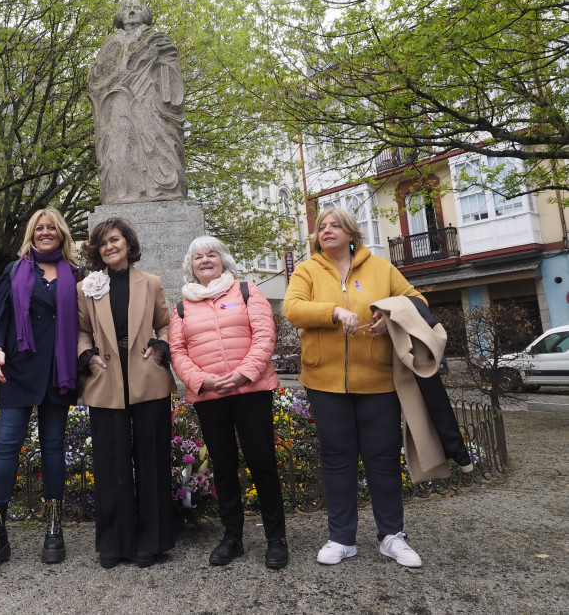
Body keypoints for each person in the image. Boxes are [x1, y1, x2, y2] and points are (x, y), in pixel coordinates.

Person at [283, 207, 426, 568]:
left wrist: (389, 315)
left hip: (378, 380)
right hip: (324, 381)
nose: (326, 231)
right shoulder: (307, 269)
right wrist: (333, 312)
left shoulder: (380, 268)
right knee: (336, 459)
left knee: (382, 459)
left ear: (351, 233)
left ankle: (392, 536)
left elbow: (418, 301)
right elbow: (293, 308)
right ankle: (342, 538)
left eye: (335, 226)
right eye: (321, 227)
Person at [169, 236, 289, 569]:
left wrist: (243, 374)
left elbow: (265, 335)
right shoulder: (181, 307)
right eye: (197, 257)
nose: (205, 260)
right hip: (210, 397)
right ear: (190, 267)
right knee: (222, 467)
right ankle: (232, 536)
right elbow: (177, 351)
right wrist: (200, 380)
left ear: (223, 260)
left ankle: (276, 538)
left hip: (251, 391)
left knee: (262, 463)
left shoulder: (247, 291)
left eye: (211, 254)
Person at [0, 207, 83, 577]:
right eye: (40, 228)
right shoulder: (14, 270)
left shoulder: (77, 275)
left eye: (52, 227)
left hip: (58, 372)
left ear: (62, 233)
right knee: (6, 446)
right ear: (31, 234)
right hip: (18, 370)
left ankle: (54, 525)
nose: (46, 232)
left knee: (54, 445)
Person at [77, 217, 176, 569]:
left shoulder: (150, 283)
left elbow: (165, 322)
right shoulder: (87, 287)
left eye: (115, 240)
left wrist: (160, 347)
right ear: (97, 250)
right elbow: (82, 331)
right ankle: (114, 543)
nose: (109, 247)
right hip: (106, 380)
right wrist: (86, 358)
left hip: (147, 379)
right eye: (103, 243)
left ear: (128, 244)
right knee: (111, 463)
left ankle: (153, 540)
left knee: (151, 461)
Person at [87, 0, 187, 204]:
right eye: (126, 8)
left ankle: (161, 190)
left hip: (150, 104)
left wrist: (151, 65)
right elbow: (97, 79)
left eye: (136, 8)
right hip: (118, 105)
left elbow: (172, 77)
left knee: (156, 144)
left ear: (145, 14)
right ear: (119, 15)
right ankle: (122, 193)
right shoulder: (111, 45)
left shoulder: (158, 40)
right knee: (120, 147)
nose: (131, 12)